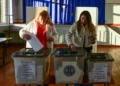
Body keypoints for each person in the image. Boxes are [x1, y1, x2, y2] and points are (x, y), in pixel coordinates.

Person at [65, 10, 97, 86]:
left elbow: (94, 38)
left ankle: (88, 84)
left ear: (88, 19)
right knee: (78, 69)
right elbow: (67, 35)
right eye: (82, 18)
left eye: (85, 19)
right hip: (78, 50)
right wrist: (71, 44)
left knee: (88, 69)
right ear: (80, 18)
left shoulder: (91, 26)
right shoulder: (76, 24)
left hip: (88, 50)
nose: (83, 20)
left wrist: (92, 41)